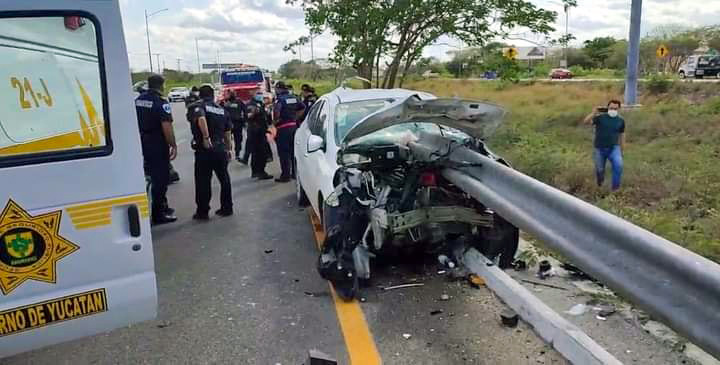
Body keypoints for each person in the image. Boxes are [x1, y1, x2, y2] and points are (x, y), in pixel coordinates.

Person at [187, 85, 234, 220]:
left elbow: (201, 119)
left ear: (200, 95)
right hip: (220, 149)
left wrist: (206, 137)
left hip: (205, 149)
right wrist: (229, 149)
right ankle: (227, 208)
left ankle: (203, 212)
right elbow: (227, 132)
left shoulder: (198, 106)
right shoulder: (221, 110)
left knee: (203, 181)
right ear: (213, 95)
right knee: (224, 178)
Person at [135, 74, 177, 224]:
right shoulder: (160, 102)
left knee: (151, 175)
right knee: (161, 178)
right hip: (156, 142)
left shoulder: (139, 100)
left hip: (141, 140)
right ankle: (158, 214)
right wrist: (172, 144)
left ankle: (163, 207)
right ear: (161, 86)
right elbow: (166, 126)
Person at [583, 99, 626, 191]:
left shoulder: (620, 120)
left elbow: (622, 135)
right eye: (611, 108)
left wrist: (622, 150)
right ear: (607, 108)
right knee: (600, 170)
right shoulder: (600, 118)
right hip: (600, 148)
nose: (613, 110)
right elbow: (586, 122)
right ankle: (600, 186)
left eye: (615, 109)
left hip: (614, 148)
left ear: (619, 109)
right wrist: (593, 113)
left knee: (618, 165)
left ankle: (615, 189)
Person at [272, 81, 305, 183]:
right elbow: (303, 107)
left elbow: (277, 112)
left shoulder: (280, 100)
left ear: (279, 89)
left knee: (283, 153)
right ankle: (295, 174)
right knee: (293, 151)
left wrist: (275, 121)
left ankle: (286, 176)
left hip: (283, 129)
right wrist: (296, 117)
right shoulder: (294, 98)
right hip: (294, 127)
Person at [245, 92, 274, 180]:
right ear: (254, 95)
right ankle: (259, 172)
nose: (261, 96)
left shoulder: (260, 104)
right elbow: (248, 116)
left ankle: (258, 171)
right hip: (255, 132)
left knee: (259, 153)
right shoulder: (251, 104)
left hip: (261, 131)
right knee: (259, 153)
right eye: (259, 94)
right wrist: (254, 112)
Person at [221, 90, 247, 162]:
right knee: (227, 139)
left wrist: (244, 120)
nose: (225, 95)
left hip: (238, 123)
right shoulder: (223, 102)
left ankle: (237, 154)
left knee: (238, 139)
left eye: (227, 94)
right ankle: (228, 152)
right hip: (227, 124)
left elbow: (245, 111)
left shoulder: (239, 101)